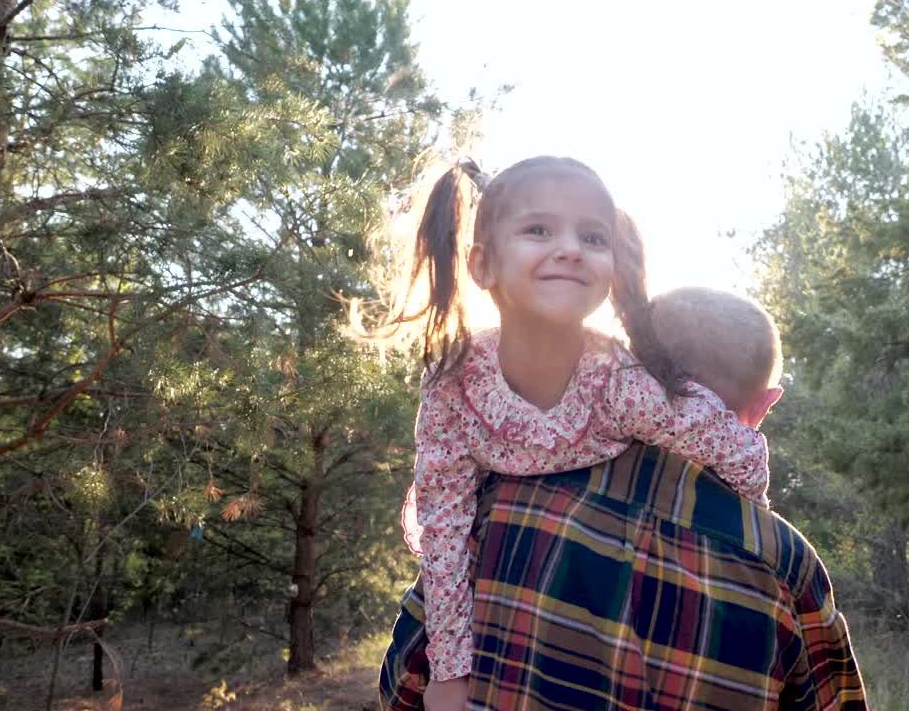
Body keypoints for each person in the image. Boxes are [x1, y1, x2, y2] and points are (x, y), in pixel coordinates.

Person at [352, 157, 774, 710]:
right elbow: (445, 525)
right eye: (538, 230)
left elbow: (740, 451)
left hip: (607, 566)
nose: (571, 248)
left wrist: (751, 545)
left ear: (613, 266)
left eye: (592, 236)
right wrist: (450, 672)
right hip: (506, 554)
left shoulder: (623, 385)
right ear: (482, 266)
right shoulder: (453, 382)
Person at [379, 287, 870, 710]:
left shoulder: (501, 501)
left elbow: (404, 684)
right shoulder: (784, 562)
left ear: (632, 370)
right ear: (764, 405)